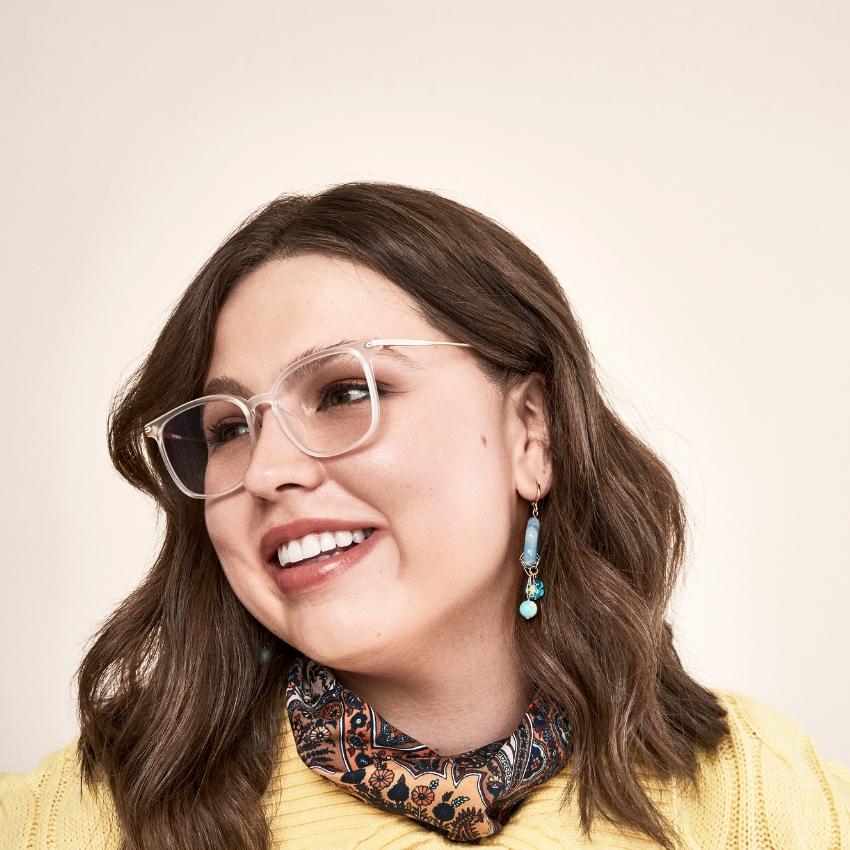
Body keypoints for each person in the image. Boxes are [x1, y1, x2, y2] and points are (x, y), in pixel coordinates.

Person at [1, 183, 847, 850]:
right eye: (228, 429)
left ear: (532, 434)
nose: (265, 471)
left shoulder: (762, 796)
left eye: (343, 392)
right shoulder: (67, 823)